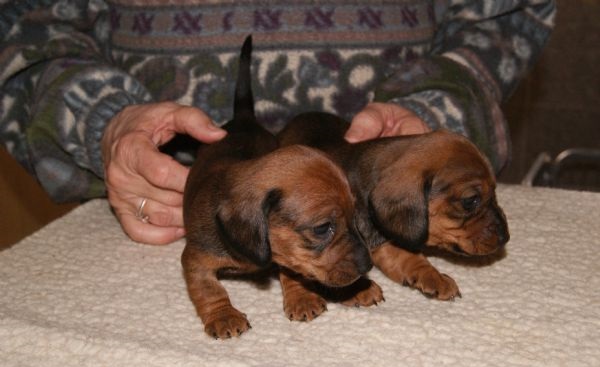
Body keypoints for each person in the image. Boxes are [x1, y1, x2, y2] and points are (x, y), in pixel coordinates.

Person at [0, 1, 556, 245]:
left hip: (391, 209)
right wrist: (101, 118)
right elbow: (21, 20)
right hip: (160, 210)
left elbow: (508, 15)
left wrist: (434, 124)